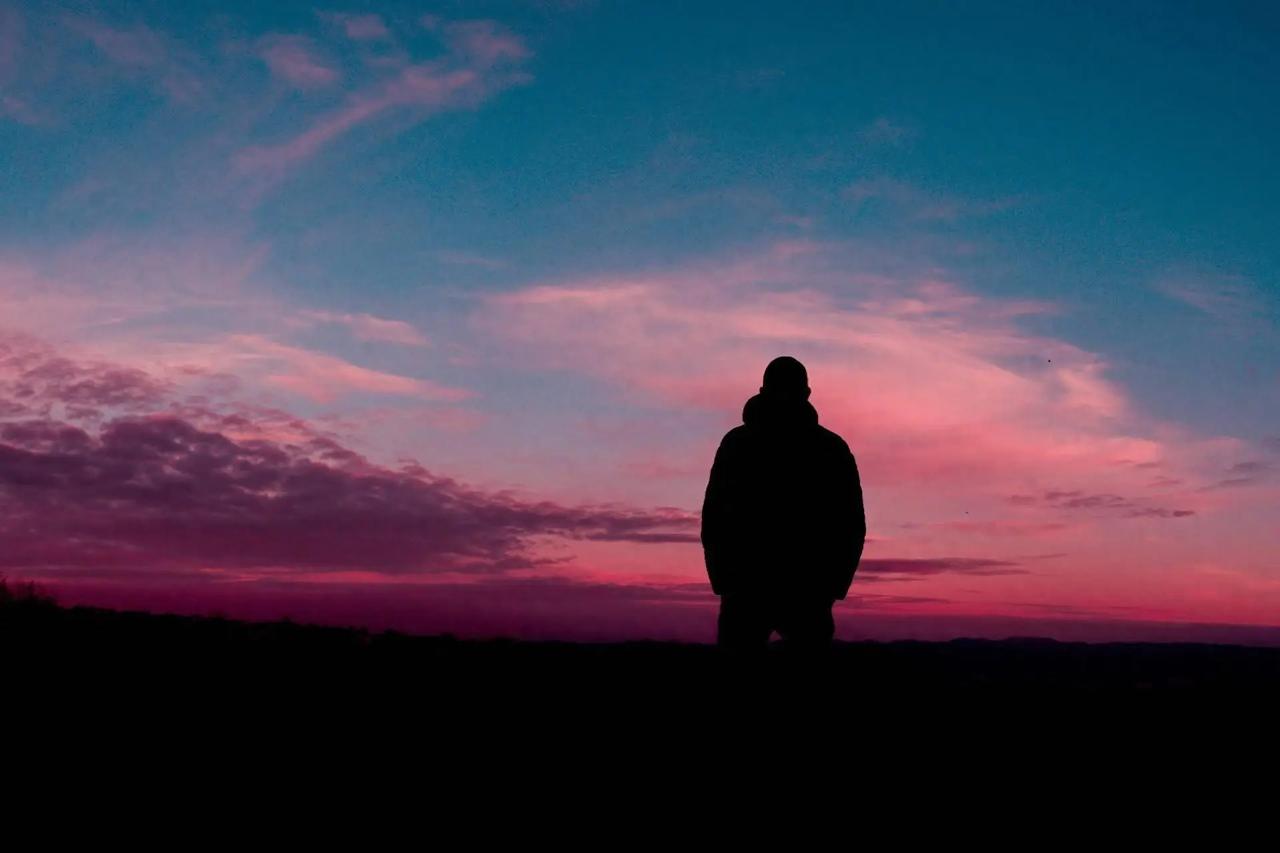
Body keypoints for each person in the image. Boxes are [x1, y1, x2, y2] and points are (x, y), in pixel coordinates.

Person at [700, 356, 866, 657]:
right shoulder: (829, 448)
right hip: (781, 588)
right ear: (808, 393)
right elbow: (851, 524)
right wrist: (832, 586)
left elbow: (715, 516)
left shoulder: (739, 444)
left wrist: (831, 587)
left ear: (763, 389)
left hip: (778, 589)